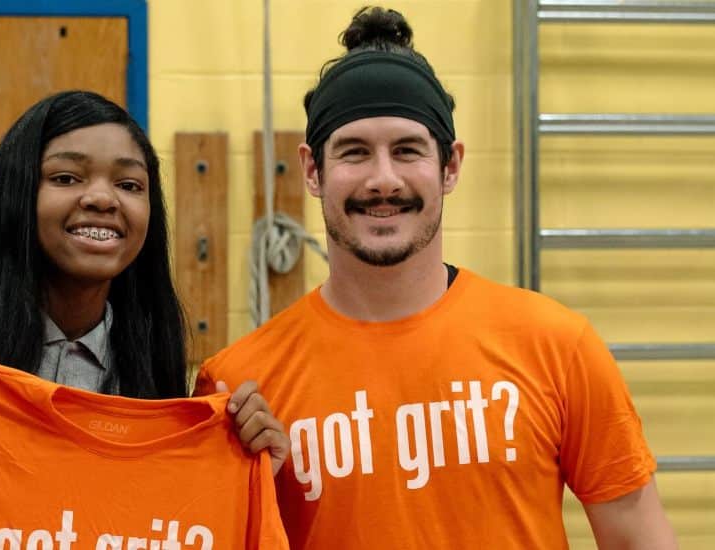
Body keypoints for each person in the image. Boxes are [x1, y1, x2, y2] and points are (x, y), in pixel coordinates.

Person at [195, 6, 677, 549]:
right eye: (354, 152)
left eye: (408, 150)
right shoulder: (240, 386)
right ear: (312, 169)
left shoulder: (556, 347)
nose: (383, 179)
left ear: (449, 167)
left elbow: (641, 540)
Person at [0, 91, 284, 549]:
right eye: (66, 178)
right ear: (18, 194)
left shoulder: (148, 352)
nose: (102, 198)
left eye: (129, 185)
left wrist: (249, 464)